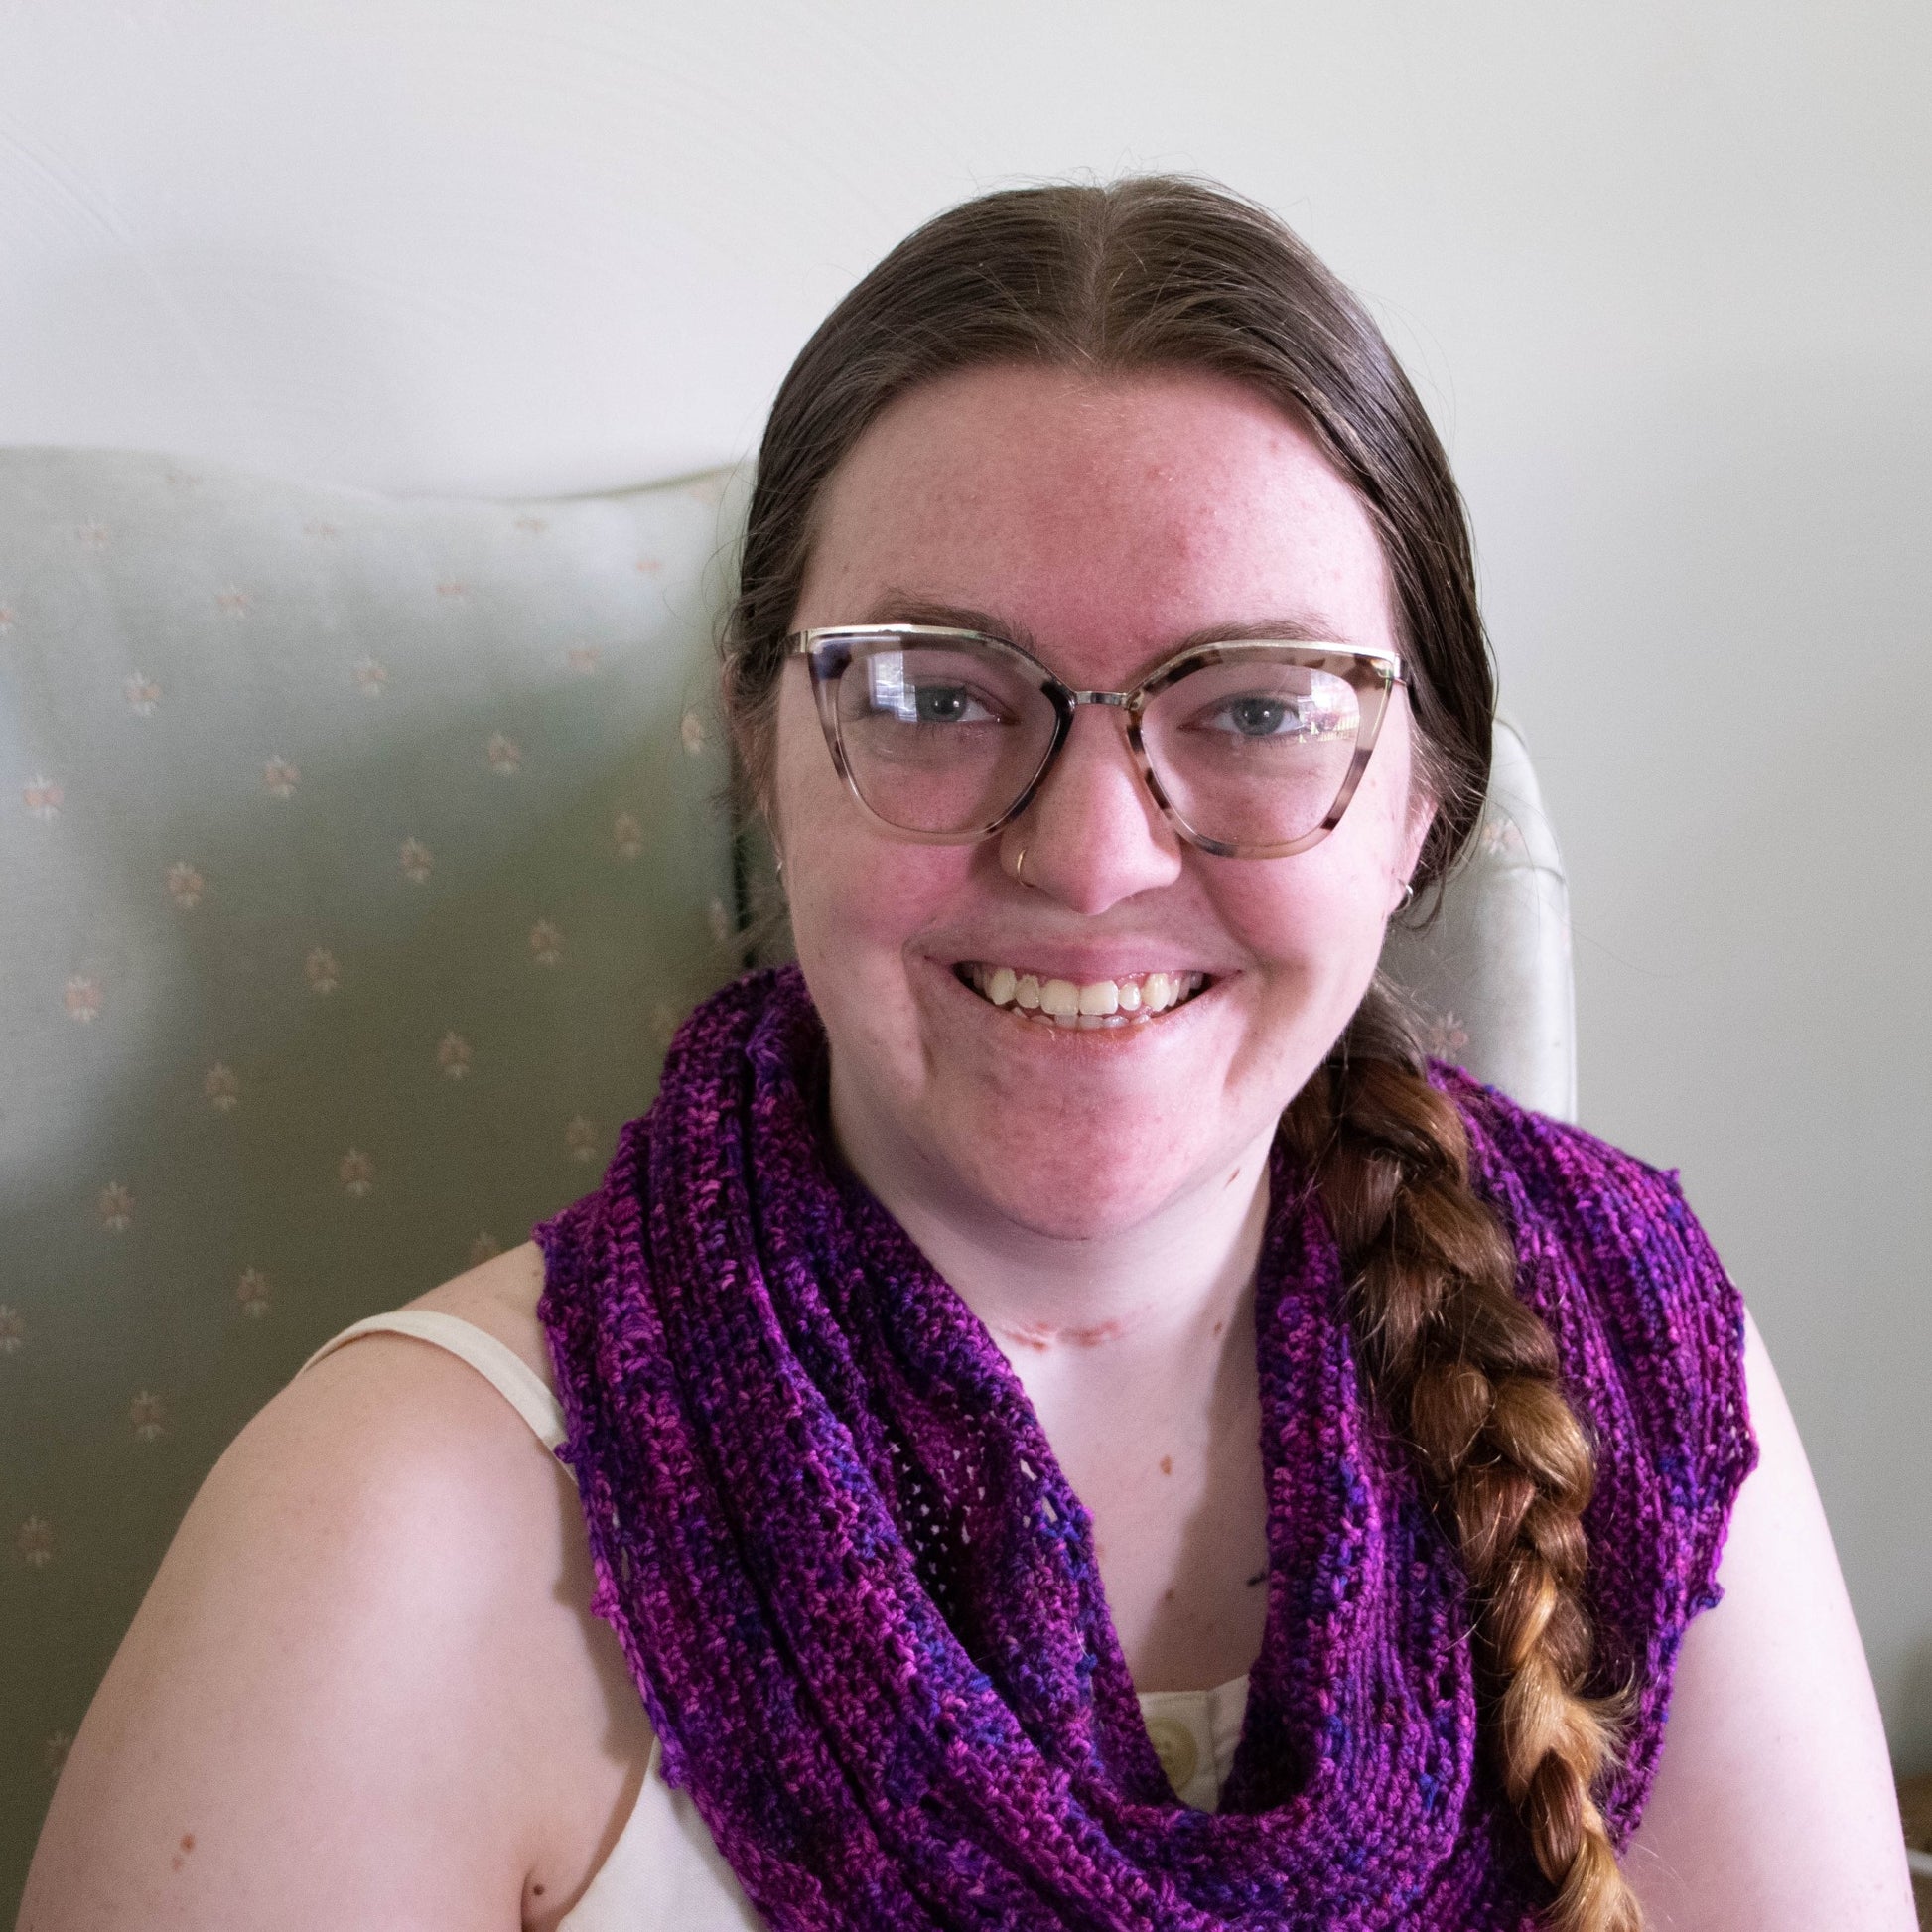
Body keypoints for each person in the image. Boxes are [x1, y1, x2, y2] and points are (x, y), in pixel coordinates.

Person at [18, 178, 1914, 1932]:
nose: (1090, 856)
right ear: (761, 750)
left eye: (1253, 704)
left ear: (1420, 806)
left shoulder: (1629, 1355)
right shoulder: (398, 1525)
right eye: (934, 693)